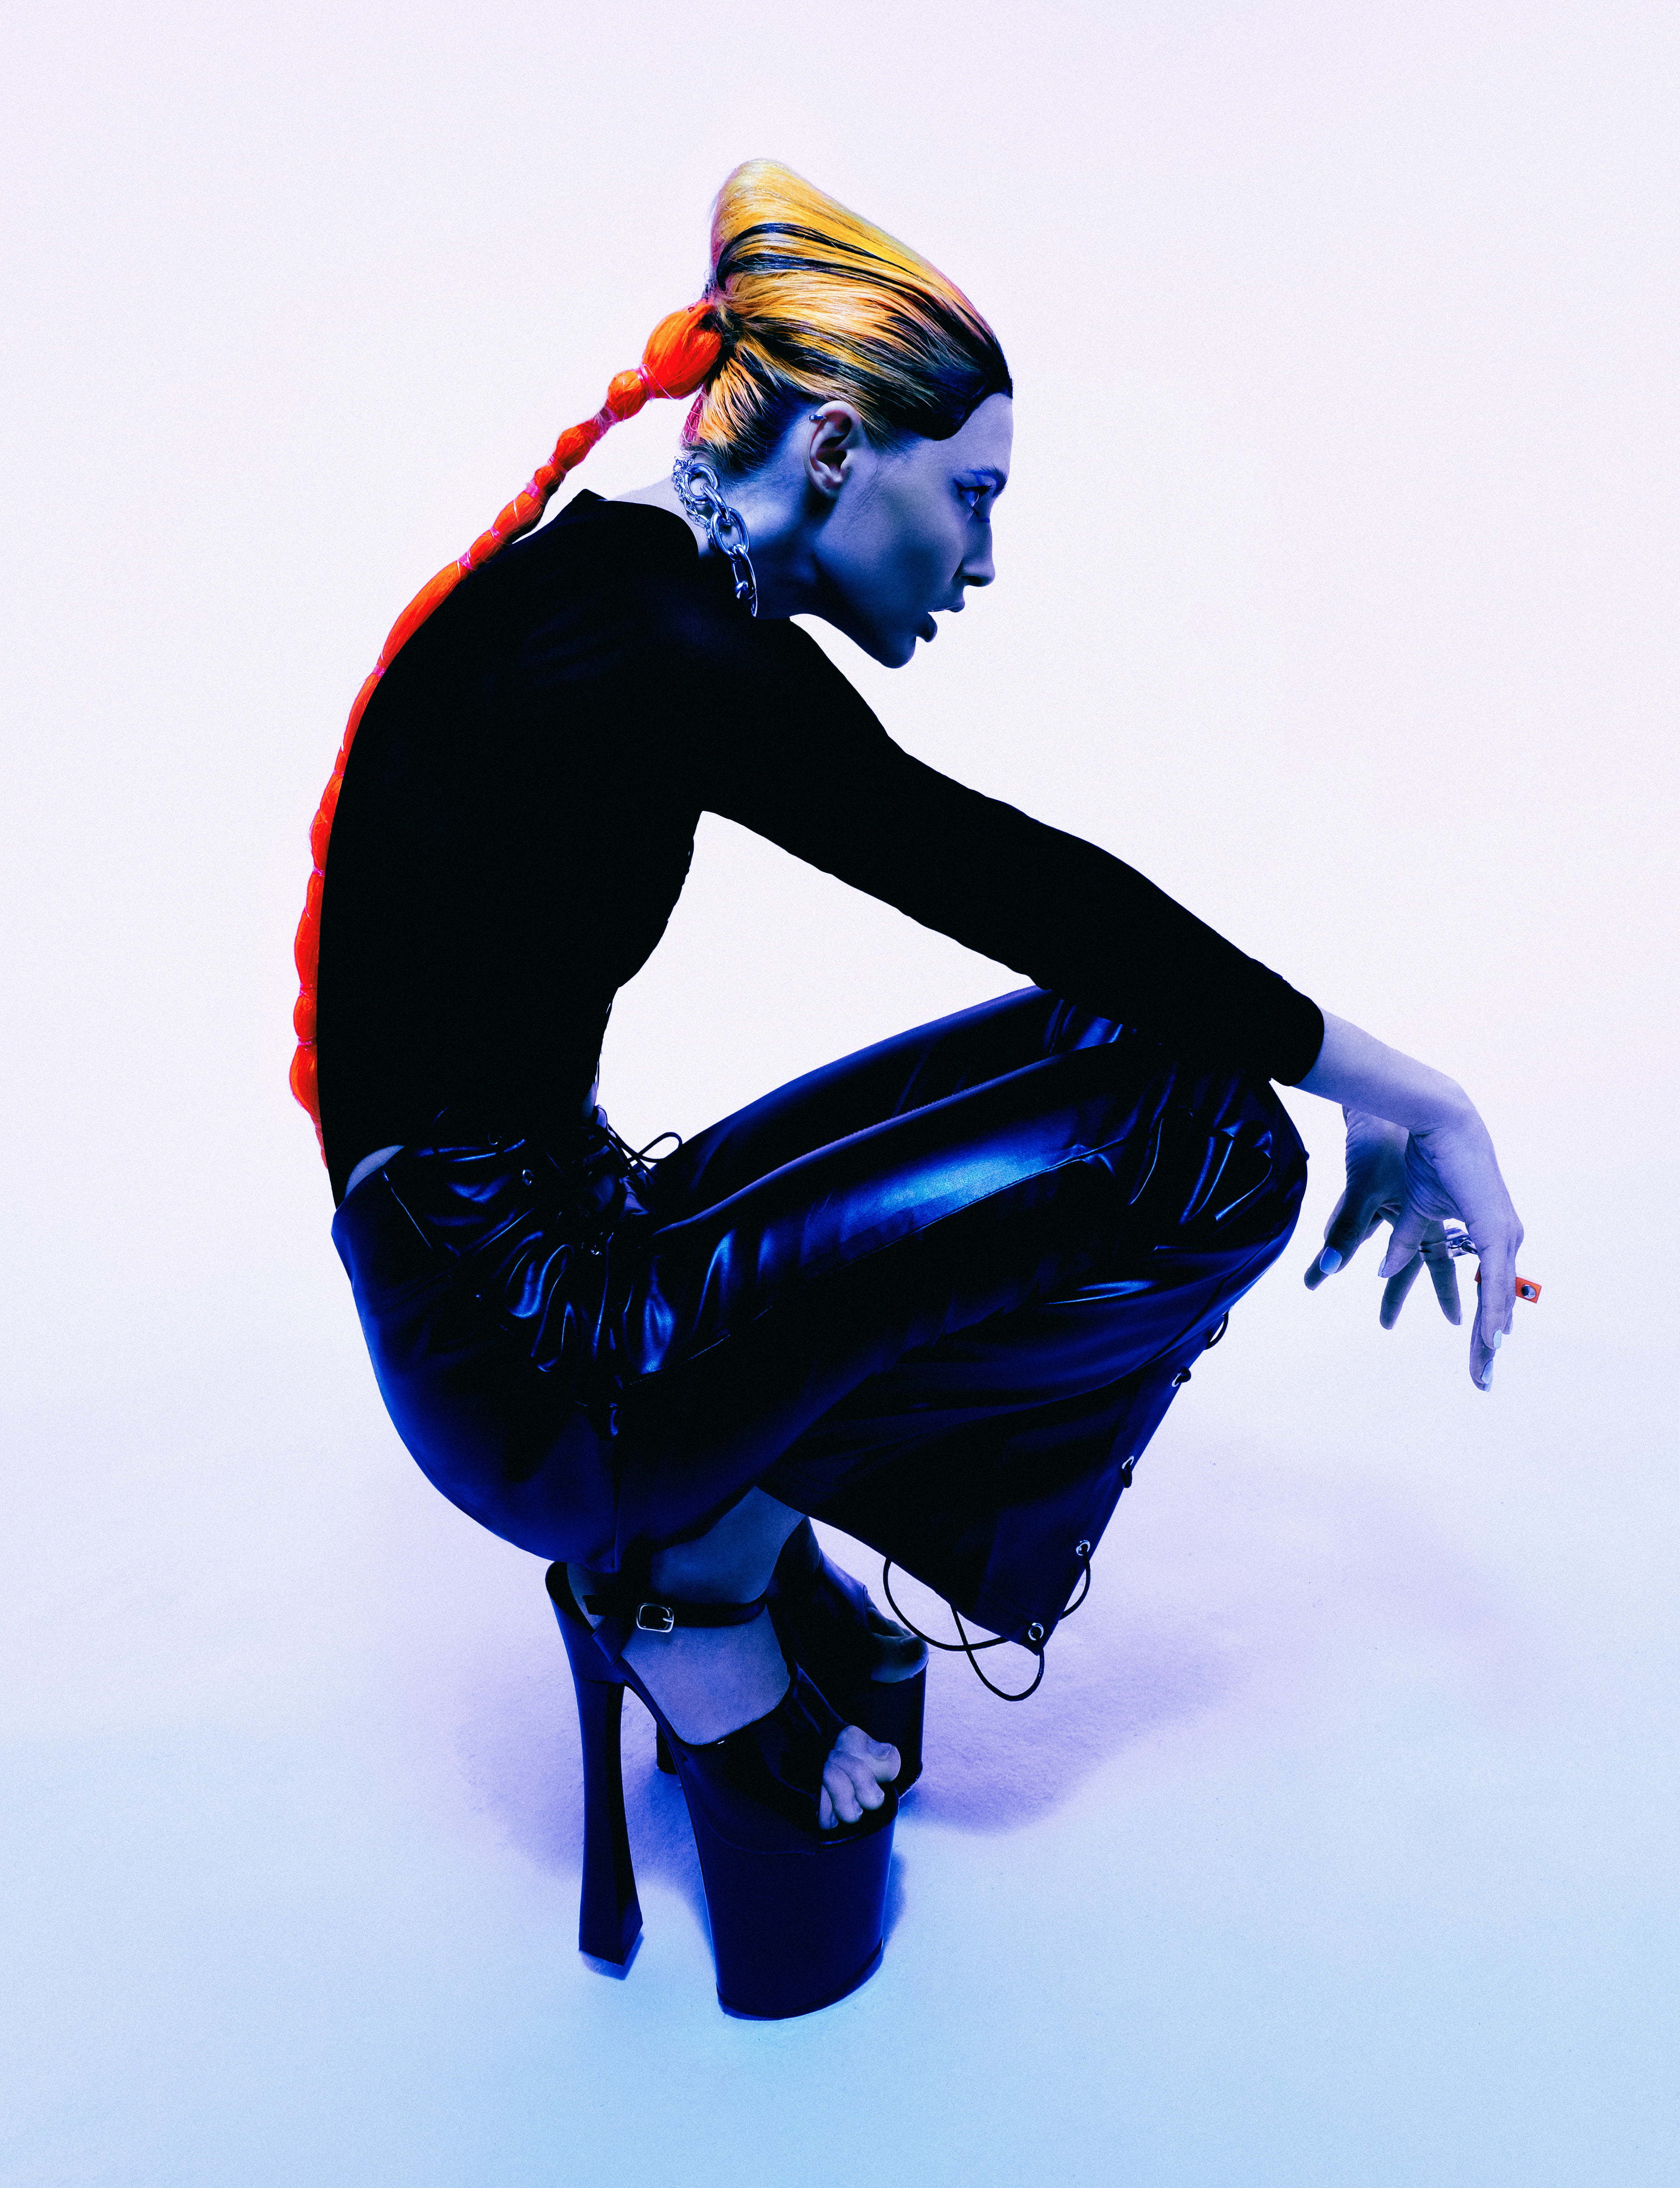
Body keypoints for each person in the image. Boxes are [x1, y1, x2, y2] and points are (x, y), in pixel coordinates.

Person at [295, 161, 1526, 2018]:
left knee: (1139, 1062)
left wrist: (1378, 1087)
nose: (983, 562)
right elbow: (1018, 882)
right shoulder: (660, 645)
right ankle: (694, 1584)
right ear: (834, 452)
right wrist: (1421, 1094)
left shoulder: (624, 598)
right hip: (538, 1356)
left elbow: (1054, 924)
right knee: (1200, 1145)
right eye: (971, 498)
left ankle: (714, 1531)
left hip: (539, 1260)